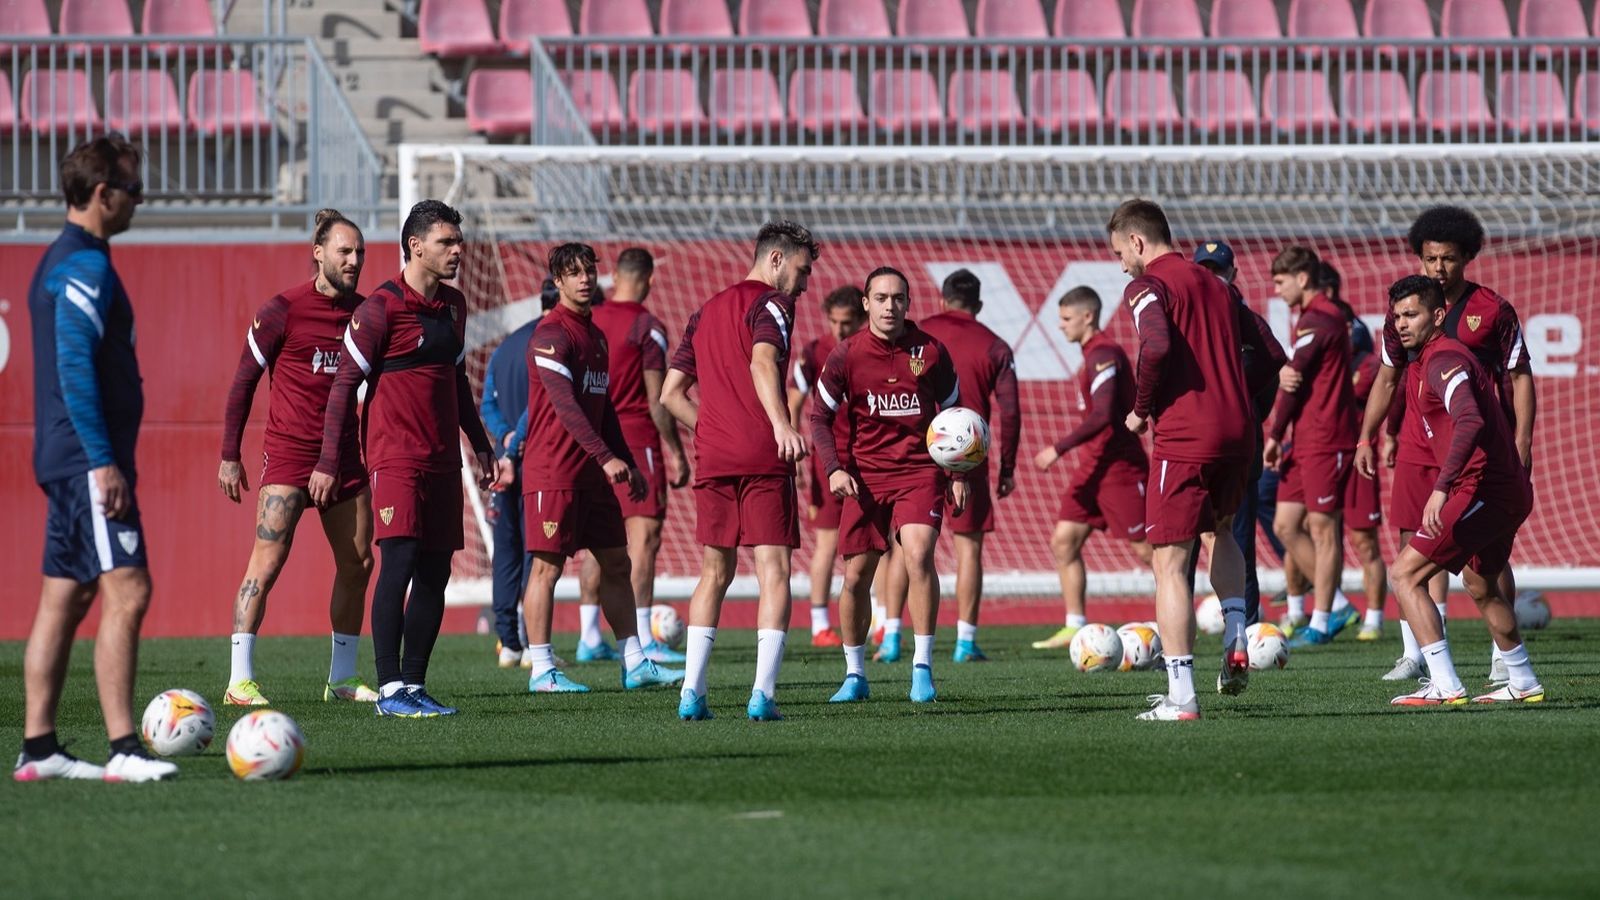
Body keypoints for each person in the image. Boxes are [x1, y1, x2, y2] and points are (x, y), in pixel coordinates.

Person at [16, 136, 178, 783]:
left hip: (73, 457)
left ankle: (39, 749)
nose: (140, 201)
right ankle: (124, 750)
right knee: (129, 589)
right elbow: (75, 367)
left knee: (67, 595)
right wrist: (104, 462)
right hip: (88, 460)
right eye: (134, 190)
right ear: (103, 194)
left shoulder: (70, 260)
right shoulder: (84, 266)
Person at [315, 199, 497, 718]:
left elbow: (458, 383)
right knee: (397, 562)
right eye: (446, 242)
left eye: (458, 241)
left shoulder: (456, 307)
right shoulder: (381, 309)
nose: (458, 251)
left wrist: (480, 446)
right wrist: (330, 461)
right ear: (415, 246)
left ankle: (414, 684)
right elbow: (343, 386)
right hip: (395, 459)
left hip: (444, 461)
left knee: (436, 570)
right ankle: (389, 688)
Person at [1356, 206, 1533, 683]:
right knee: (1415, 541)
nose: (1438, 267)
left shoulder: (1490, 310)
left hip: (1475, 450)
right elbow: (1388, 377)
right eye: (1430, 258)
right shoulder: (1405, 310)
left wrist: (1522, 441)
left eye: (1448, 259)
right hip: (1421, 441)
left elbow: (1517, 378)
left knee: (1483, 557)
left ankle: (1488, 664)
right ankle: (1421, 653)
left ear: (1466, 258)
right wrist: (1370, 435)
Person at [217, 209, 378, 707]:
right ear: (319, 252)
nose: (353, 261)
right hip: (289, 456)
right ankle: (239, 682)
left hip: (345, 459)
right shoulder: (282, 309)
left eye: (360, 254)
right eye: (344, 252)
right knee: (267, 561)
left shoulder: (368, 314)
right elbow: (243, 382)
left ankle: (343, 679)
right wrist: (229, 456)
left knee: (359, 563)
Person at [660, 220, 817, 721]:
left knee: (714, 572)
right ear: (776, 260)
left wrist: (709, 430)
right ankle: (762, 696)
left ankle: (692, 693)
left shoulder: (704, 311)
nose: (805, 282)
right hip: (761, 456)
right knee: (774, 571)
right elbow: (763, 362)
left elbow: (669, 396)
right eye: (802, 269)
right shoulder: (773, 303)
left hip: (715, 456)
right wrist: (780, 425)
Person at [1108, 199, 1255, 721]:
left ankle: (1182, 695)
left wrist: (1140, 409)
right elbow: (1268, 350)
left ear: (1139, 242)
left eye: (1121, 252)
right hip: (1239, 432)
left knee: (1168, 563)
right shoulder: (1219, 286)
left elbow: (1155, 345)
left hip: (1186, 435)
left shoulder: (1148, 286)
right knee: (1224, 529)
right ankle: (1237, 630)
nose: (1122, 264)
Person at [516, 243, 682, 694]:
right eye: (574, 273)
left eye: (590, 270)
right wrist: (604, 456)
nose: (585, 279)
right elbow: (566, 406)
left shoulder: (597, 336)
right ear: (558, 281)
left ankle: (635, 661)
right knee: (547, 569)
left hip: (592, 474)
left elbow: (602, 406)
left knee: (616, 560)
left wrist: (625, 458)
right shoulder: (551, 334)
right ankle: (542, 670)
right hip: (554, 472)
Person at [1382, 275, 1542, 706]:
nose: (1401, 323)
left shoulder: (1443, 359)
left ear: (1437, 316)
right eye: (1397, 315)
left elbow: (1469, 419)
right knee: (1480, 583)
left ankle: (1445, 685)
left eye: (1411, 314)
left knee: (1403, 574)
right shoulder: (1423, 362)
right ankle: (1523, 680)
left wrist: (1440, 490)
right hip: (1503, 491)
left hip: (1483, 489)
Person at [810, 267, 965, 704]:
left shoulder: (931, 351)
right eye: (880, 298)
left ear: (908, 303)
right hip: (865, 478)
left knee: (918, 555)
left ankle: (922, 669)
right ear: (866, 303)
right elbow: (818, 417)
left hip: (920, 472)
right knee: (857, 576)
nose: (889, 306)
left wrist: (958, 474)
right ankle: (855, 674)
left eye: (898, 298)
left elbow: (956, 415)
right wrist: (834, 469)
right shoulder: (845, 355)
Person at [876, 268, 1018, 663]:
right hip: (966, 456)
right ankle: (965, 642)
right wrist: (1007, 466)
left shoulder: (920, 338)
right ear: (979, 305)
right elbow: (1011, 410)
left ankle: (891, 637)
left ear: (941, 300)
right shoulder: (996, 345)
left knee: (906, 547)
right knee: (968, 548)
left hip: (913, 454)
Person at [577, 247, 690, 665]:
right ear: (649, 280)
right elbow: (659, 399)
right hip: (636, 439)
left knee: (598, 540)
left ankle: (589, 635)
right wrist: (677, 451)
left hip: (593, 442)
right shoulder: (647, 325)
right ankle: (643, 639)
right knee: (643, 539)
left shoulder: (590, 318)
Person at [1032, 287, 1152, 648]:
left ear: (1088, 317)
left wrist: (1058, 447)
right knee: (1064, 541)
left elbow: (1102, 415)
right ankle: (1075, 624)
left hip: (1119, 469)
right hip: (1093, 468)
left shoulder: (1104, 354)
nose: (1061, 326)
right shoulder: (1091, 355)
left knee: (1147, 550)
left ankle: (1181, 610)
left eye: (1067, 318)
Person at [1261, 246, 1360, 649]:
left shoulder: (1321, 318)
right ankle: (1336, 603)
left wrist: (1273, 433)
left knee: (1322, 527)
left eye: (1281, 282)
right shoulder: (1312, 318)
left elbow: (1293, 380)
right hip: (1305, 439)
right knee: (1285, 524)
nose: (1278, 290)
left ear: (1303, 278)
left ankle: (1321, 620)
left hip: (1327, 436)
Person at [1191, 240, 1286, 627]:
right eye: (1205, 268)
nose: (1212, 275)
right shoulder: (1189, 317)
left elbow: (1271, 363)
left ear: (1232, 274)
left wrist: (1242, 408)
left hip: (1235, 442)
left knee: (1236, 535)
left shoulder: (1241, 317)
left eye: (1219, 268)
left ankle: (1243, 628)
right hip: (1195, 441)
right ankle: (1186, 639)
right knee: (1185, 537)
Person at [481, 278, 559, 669]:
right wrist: (517, 443)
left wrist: (504, 438)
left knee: (505, 553)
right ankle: (532, 642)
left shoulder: (506, 345)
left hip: (502, 463)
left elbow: (487, 405)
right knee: (537, 553)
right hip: (536, 460)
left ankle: (508, 642)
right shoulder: (553, 343)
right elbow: (544, 401)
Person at [788, 285, 867, 647]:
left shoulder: (874, 349)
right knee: (827, 541)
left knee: (876, 541)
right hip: (829, 457)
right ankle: (820, 624)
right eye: (833, 322)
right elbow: (793, 400)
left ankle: (881, 620)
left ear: (862, 319)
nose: (838, 330)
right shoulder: (815, 351)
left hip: (872, 455)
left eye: (847, 322)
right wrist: (796, 450)